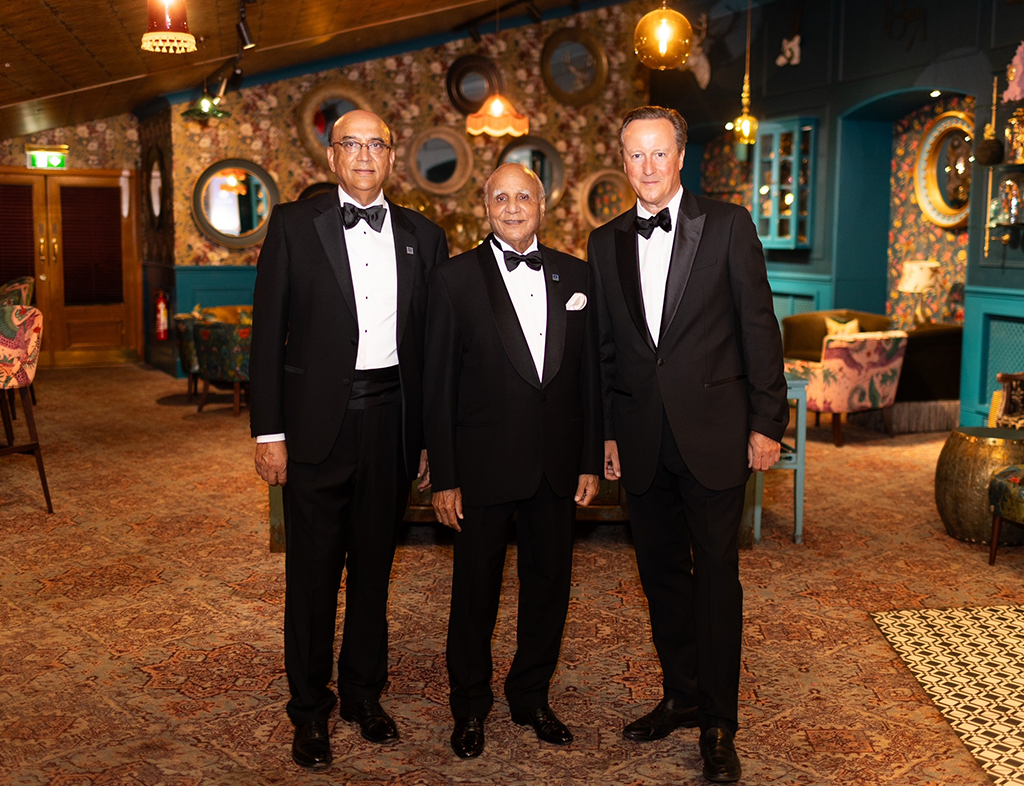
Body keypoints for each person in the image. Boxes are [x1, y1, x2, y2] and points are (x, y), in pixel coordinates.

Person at [587, 106, 788, 784]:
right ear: (623, 161)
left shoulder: (728, 225)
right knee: (660, 576)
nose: (647, 166)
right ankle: (680, 694)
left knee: (716, 581)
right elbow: (606, 349)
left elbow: (759, 329)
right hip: (641, 439)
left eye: (658, 153)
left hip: (716, 435)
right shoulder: (604, 241)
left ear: (680, 157)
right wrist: (608, 432)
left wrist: (767, 424)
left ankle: (719, 722)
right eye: (635, 154)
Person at [249, 109, 449, 770]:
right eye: (351, 144)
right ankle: (309, 709)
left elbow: (432, 349)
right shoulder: (292, 225)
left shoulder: (425, 235)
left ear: (391, 156)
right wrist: (269, 431)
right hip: (314, 429)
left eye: (376, 144)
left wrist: (428, 438)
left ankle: (364, 693)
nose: (364, 155)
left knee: (373, 572)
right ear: (331, 156)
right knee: (312, 578)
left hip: (391, 424)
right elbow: (267, 334)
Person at [424, 163, 602, 759]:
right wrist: (445, 476)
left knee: (549, 586)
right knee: (475, 591)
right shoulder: (452, 279)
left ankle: (531, 696)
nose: (512, 206)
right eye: (500, 197)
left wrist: (588, 460)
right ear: (485, 206)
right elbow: (437, 385)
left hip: (557, 464)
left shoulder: (578, 275)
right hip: (481, 464)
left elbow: (589, 377)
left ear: (542, 206)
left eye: (523, 195)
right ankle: (469, 705)